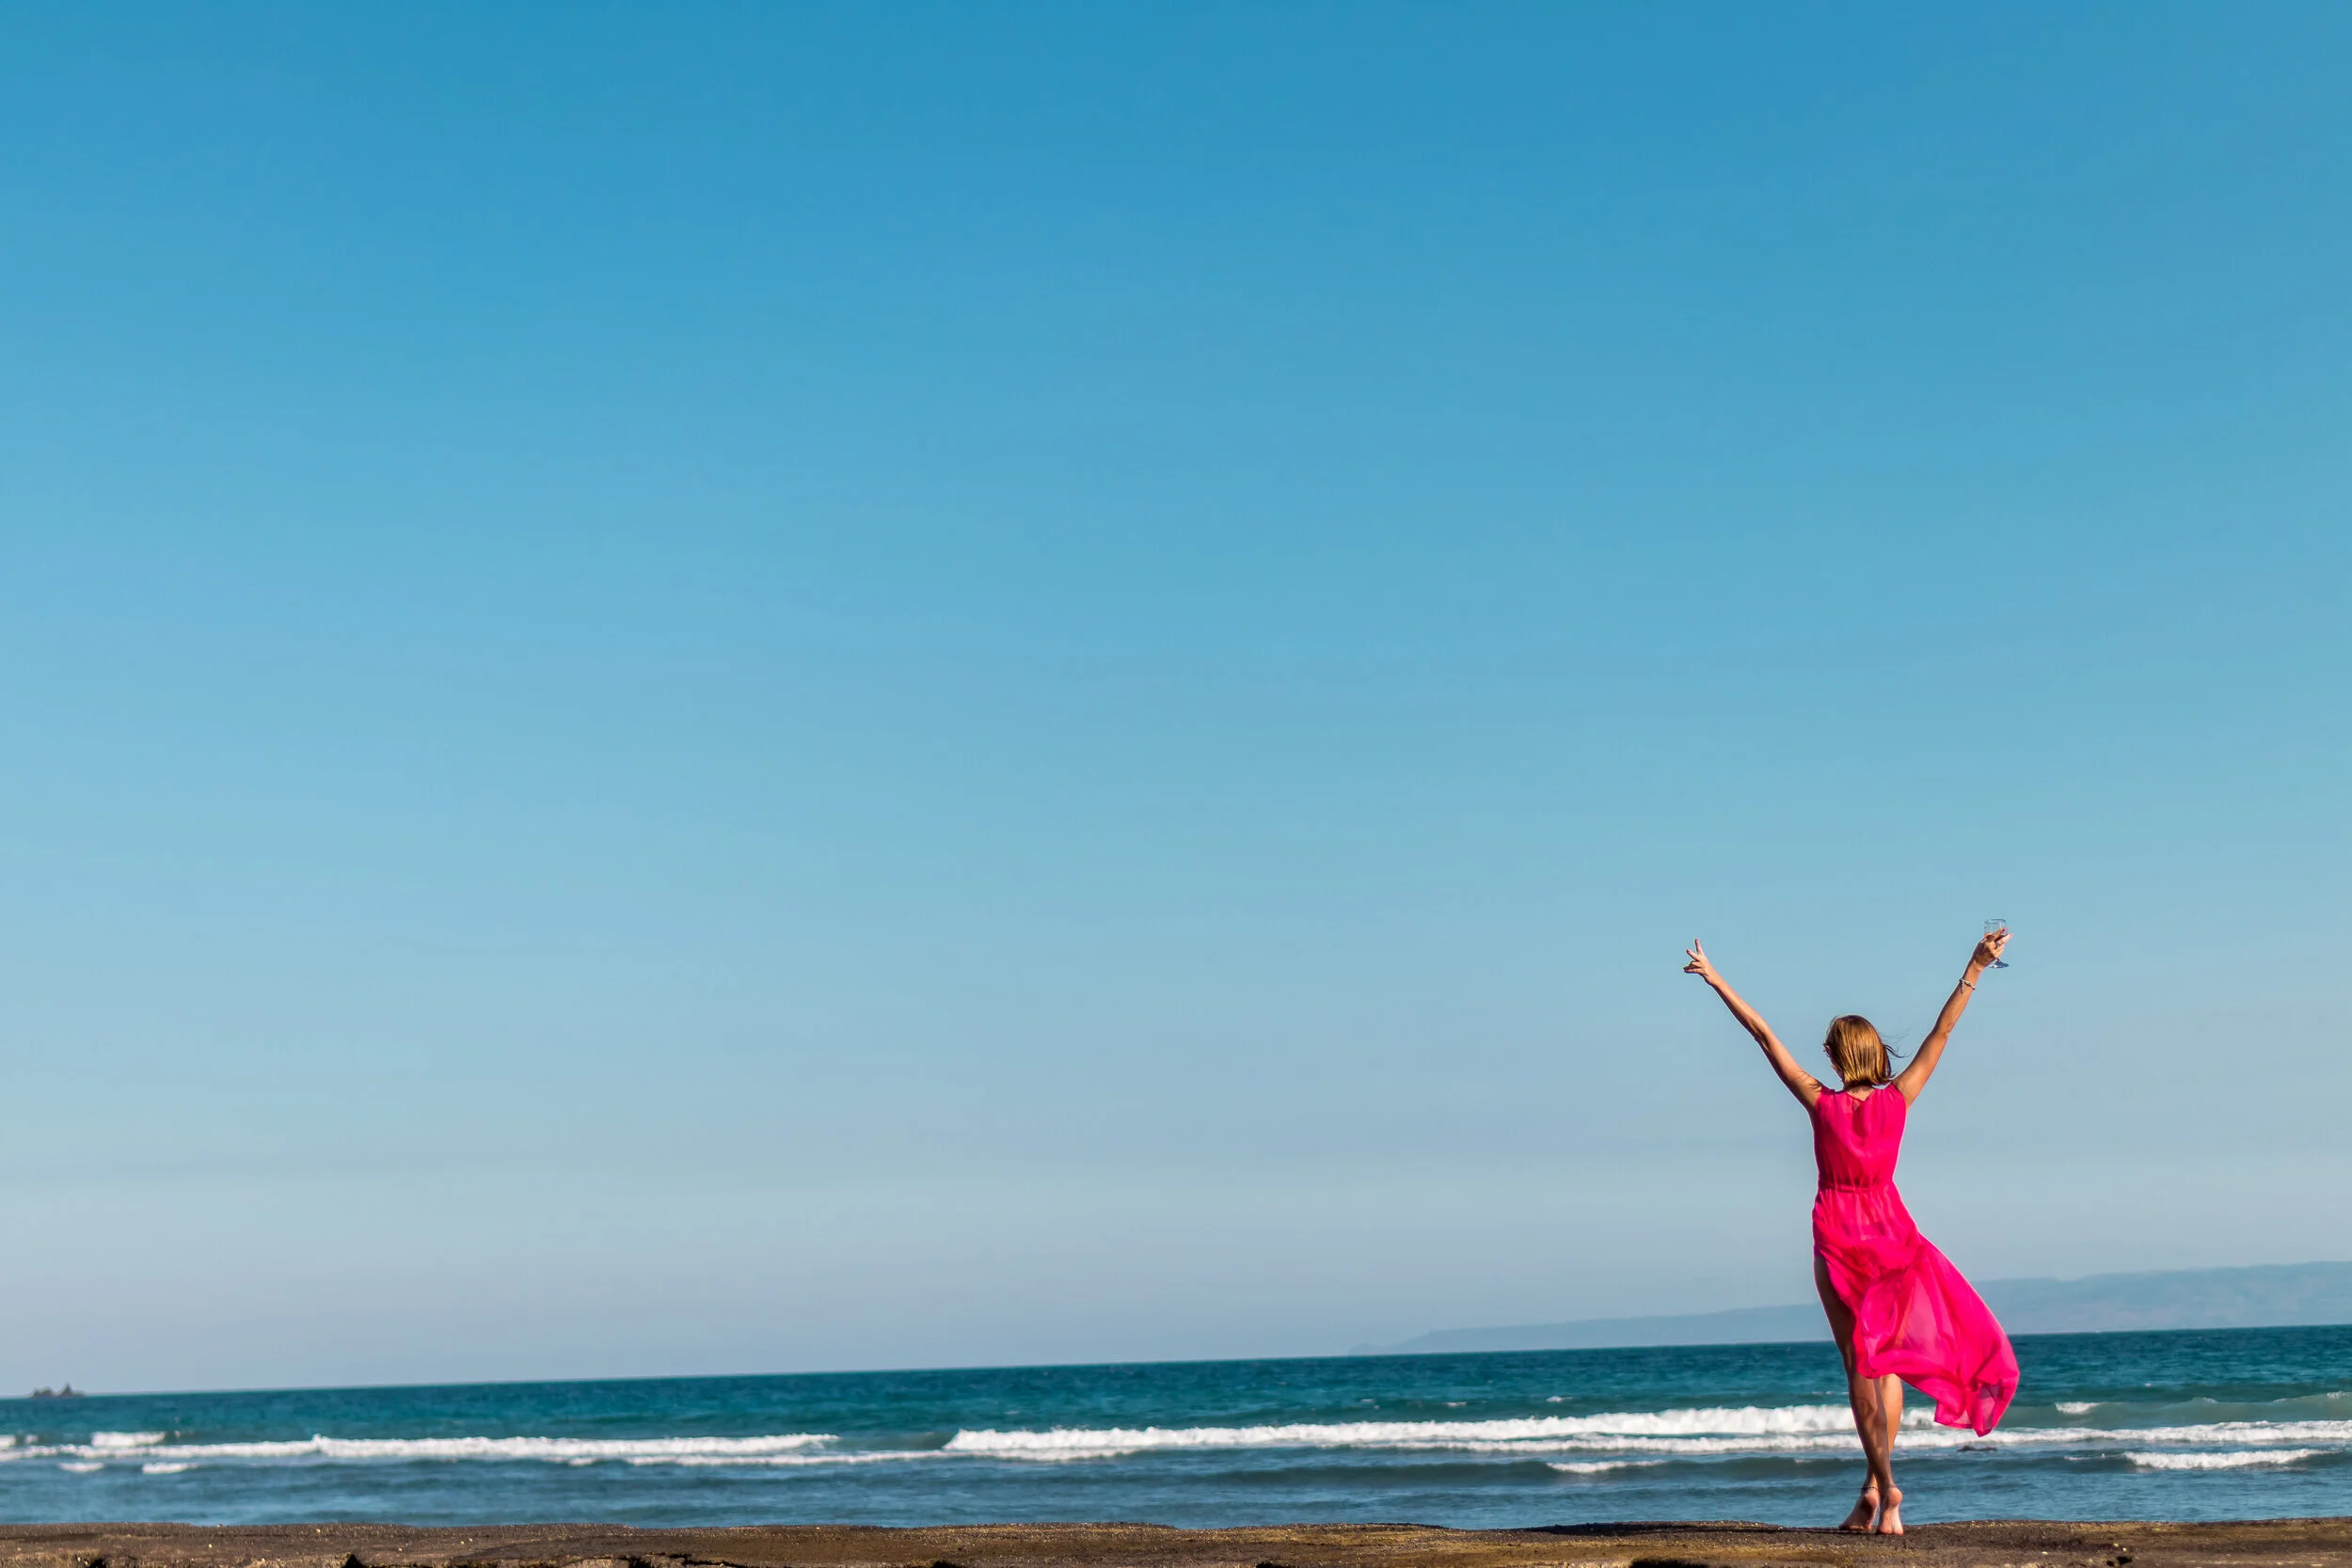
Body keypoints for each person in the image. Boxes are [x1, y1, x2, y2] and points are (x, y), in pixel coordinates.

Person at [1682, 929, 2020, 1536]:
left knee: (1857, 1366)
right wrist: (1975, 965)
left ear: (1838, 1058)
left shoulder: (1819, 1101)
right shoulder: (1901, 1098)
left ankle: (1888, 1488)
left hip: (1838, 1238)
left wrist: (1715, 979)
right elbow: (1941, 1033)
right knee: (1884, 1366)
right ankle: (1872, 1491)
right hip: (1893, 1238)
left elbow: (1763, 1035)